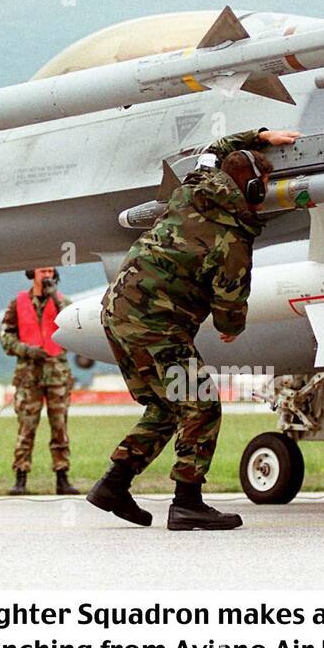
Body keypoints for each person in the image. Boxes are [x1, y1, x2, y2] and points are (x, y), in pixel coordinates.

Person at [87, 127, 301, 530]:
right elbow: (230, 311)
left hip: (116, 312)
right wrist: (230, 328)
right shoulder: (232, 239)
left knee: (168, 406)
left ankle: (113, 486)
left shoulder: (194, 186)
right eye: (264, 186)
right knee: (202, 405)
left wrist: (258, 136)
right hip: (156, 325)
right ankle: (187, 503)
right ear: (252, 189)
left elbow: (212, 150)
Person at [0, 266, 80, 495]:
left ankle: (62, 478)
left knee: (60, 427)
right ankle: (20, 478)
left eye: (50, 271)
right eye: (42, 271)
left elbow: (74, 327)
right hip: (29, 375)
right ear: (32, 273)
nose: (47, 275)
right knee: (26, 427)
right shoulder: (18, 303)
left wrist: (55, 296)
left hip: (57, 375)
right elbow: (6, 336)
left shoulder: (63, 302)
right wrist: (25, 350)